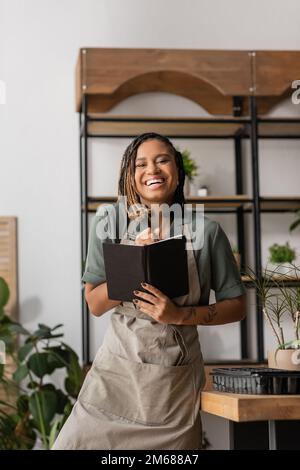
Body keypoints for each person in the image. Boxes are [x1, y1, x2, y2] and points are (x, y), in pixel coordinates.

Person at [52, 132, 246, 450]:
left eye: (162, 160)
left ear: (177, 171)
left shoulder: (206, 232)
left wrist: (179, 314)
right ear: (131, 175)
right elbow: (95, 303)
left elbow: (236, 305)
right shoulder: (110, 223)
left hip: (172, 385)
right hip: (115, 375)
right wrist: (133, 260)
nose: (152, 170)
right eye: (141, 163)